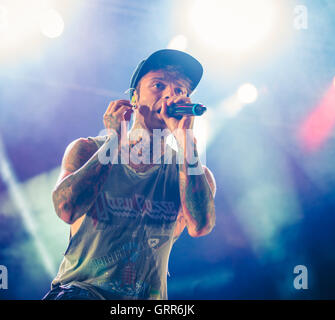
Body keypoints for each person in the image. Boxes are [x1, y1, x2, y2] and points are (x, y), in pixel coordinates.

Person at [42, 49, 216, 300]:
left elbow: (200, 225)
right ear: (134, 98)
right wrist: (114, 142)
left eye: (180, 90)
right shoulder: (89, 149)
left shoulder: (192, 171)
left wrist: (186, 141)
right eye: (159, 85)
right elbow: (66, 208)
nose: (171, 95)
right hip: (83, 294)